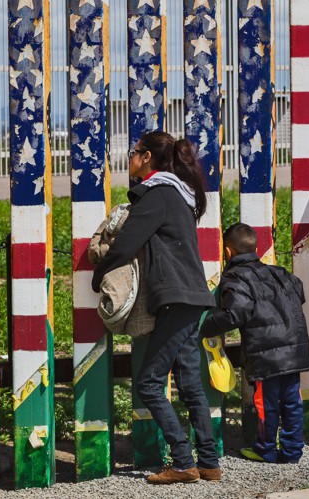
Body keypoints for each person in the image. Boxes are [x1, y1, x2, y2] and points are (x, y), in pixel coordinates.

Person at [92, 131, 220, 484]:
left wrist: (98, 274)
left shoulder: (157, 194)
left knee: (149, 383)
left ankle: (182, 462)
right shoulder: (178, 194)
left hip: (177, 298)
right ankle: (209, 462)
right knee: (190, 383)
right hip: (192, 297)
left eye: (134, 153)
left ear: (146, 157)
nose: (130, 159)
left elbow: (125, 245)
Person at [200, 223, 309, 464]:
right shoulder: (279, 273)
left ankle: (266, 448)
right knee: (292, 402)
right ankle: (293, 451)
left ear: (228, 253)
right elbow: (299, 292)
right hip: (294, 351)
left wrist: (204, 326)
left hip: (265, 356)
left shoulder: (236, 277)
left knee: (265, 404)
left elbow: (234, 314)